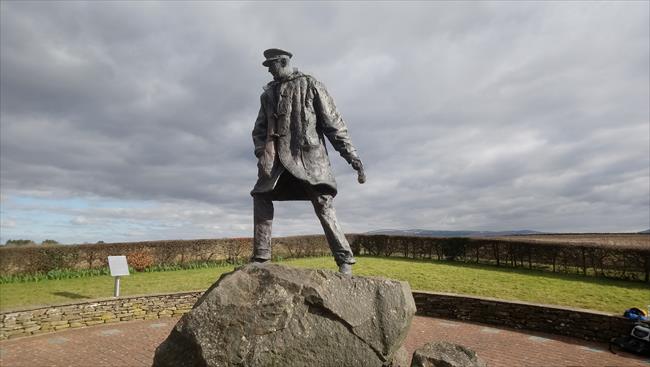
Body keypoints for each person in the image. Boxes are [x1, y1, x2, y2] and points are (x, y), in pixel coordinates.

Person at [250, 48, 366, 275]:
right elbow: (259, 129)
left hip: (308, 160)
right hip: (276, 163)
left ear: (283, 62)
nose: (270, 72)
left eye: (272, 66)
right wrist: (261, 152)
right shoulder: (267, 95)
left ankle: (345, 260)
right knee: (261, 196)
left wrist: (352, 157)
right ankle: (261, 257)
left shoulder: (311, 85)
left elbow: (333, 124)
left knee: (323, 203)